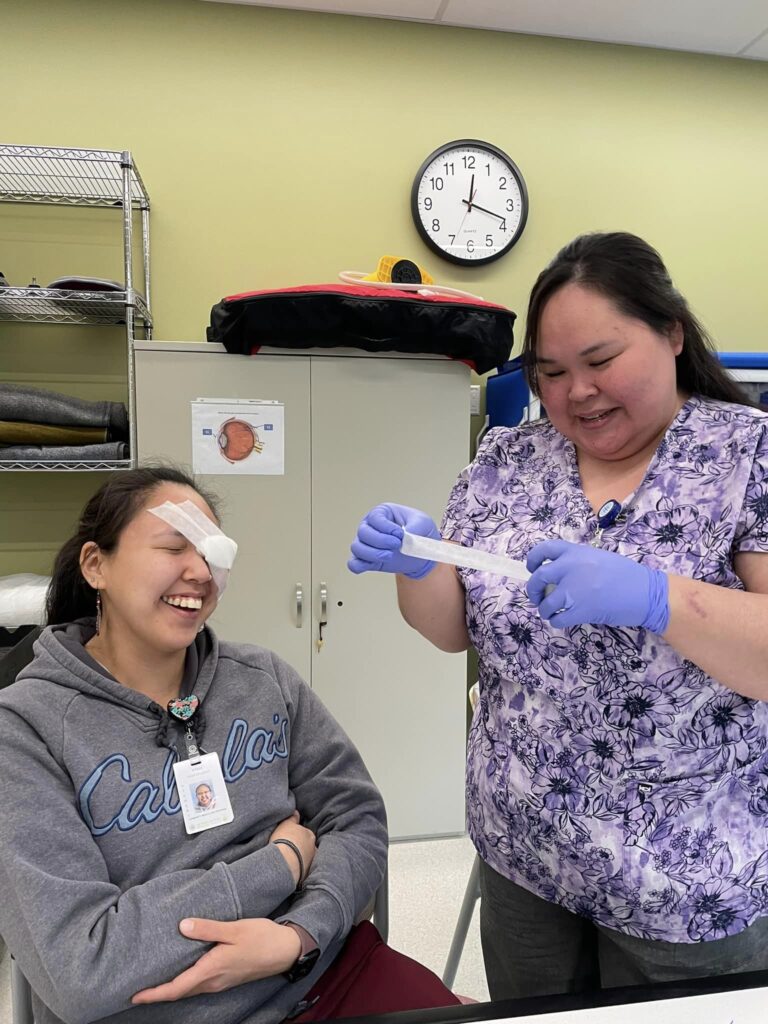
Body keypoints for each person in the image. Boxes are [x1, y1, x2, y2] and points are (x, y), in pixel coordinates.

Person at [349, 232, 768, 999]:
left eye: (601, 361)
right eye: (552, 372)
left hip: (684, 881)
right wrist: (419, 562)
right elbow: (454, 629)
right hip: (524, 852)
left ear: (672, 333)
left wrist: (657, 598)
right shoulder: (508, 461)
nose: (578, 392)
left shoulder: (746, 456)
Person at [0, 467, 460, 1024]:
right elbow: (81, 966)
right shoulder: (25, 729)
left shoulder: (263, 680)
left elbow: (356, 817)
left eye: (213, 554)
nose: (200, 572)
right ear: (96, 565)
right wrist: (282, 863)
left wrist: (297, 935)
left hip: (321, 975)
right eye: (174, 546)